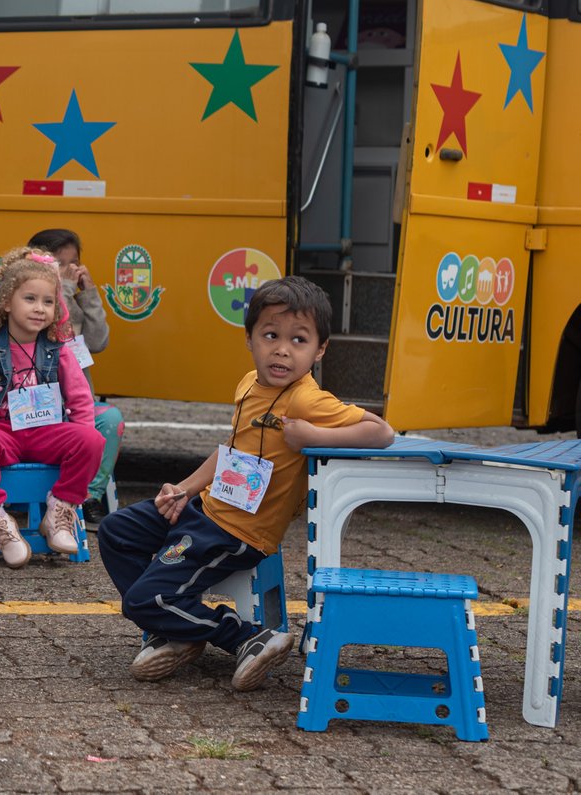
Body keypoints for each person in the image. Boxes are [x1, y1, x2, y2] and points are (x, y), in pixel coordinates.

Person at [98, 276, 395, 690]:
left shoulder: (306, 399)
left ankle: (245, 637)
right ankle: (173, 628)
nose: (282, 349)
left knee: (142, 600)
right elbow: (231, 449)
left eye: (299, 340)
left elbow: (381, 432)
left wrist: (312, 435)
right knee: (116, 531)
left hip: (236, 531)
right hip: (206, 506)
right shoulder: (249, 384)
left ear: (320, 349)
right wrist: (185, 489)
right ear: (250, 339)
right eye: (271, 335)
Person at [0, 248, 104, 566]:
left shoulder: (60, 351)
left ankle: (60, 511)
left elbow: (80, 400)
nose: (39, 308)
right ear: (6, 302)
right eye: (30, 299)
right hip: (1, 431)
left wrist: (80, 438)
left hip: (46, 432)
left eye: (48, 301)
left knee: (93, 439)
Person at [29, 228, 123, 521]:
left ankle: (89, 495)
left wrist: (90, 292)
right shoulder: (30, 306)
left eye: (74, 263)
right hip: (39, 406)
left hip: (76, 406)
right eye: (61, 263)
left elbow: (99, 341)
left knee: (112, 420)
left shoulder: (76, 301)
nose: (70, 270)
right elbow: (54, 327)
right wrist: (64, 290)